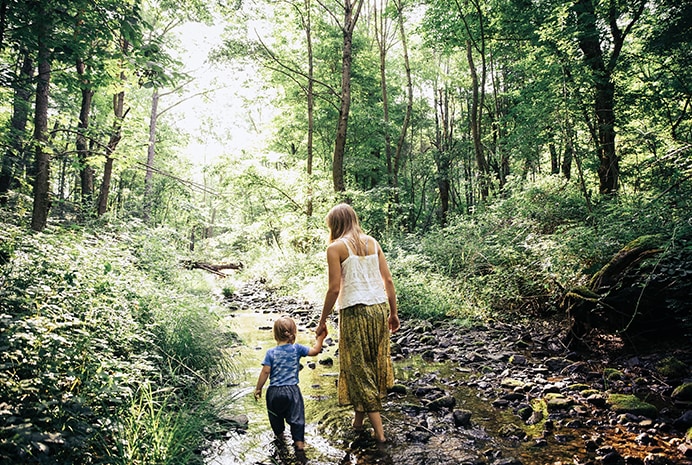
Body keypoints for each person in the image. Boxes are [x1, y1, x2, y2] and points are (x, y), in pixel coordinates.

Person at [315, 203, 400, 444]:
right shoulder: (372, 242)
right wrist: (393, 313)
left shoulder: (335, 248)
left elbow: (333, 289)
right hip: (379, 308)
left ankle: (380, 435)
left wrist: (322, 321)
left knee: (357, 368)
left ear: (335, 224)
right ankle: (358, 421)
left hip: (354, 311)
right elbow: (389, 280)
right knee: (371, 363)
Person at [254, 316, 326, 451]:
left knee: (275, 418)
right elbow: (315, 351)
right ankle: (299, 446)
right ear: (293, 333)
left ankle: (280, 441)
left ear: (275, 334)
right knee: (297, 420)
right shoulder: (297, 349)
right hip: (292, 391)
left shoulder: (270, 353)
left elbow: (265, 372)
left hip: (274, 392)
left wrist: (258, 389)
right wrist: (320, 338)